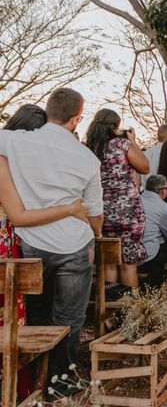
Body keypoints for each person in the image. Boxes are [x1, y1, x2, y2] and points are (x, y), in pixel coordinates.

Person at [0, 88, 104, 393]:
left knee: (37, 313)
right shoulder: (87, 159)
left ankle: (34, 377)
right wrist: (96, 235)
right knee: (69, 317)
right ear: (76, 119)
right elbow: (95, 212)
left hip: (31, 242)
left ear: (48, 110)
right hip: (74, 243)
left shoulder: (16, 141)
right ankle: (61, 383)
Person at [85, 109, 149, 288]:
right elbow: (144, 167)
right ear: (114, 126)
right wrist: (133, 142)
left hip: (100, 211)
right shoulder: (121, 145)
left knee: (109, 261)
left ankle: (110, 312)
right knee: (129, 265)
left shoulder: (89, 148)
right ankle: (131, 312)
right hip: (128, 210)